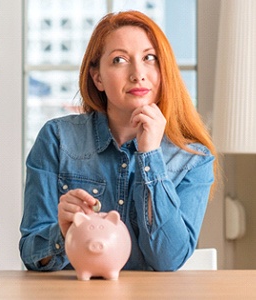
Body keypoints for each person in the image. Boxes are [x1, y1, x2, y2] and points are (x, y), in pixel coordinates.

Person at [19, 10, 218, 272]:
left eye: (149, 58)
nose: (138, 74)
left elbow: (168, 260)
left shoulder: (193, 158)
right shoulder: (57, 139)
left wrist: (150, 156)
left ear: (163, 69)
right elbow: (32, 254)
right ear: (97, 77)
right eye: (120, 60)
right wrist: (63, 233)